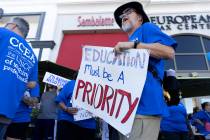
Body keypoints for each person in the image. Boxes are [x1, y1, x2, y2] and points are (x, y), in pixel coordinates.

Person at [113, 1, 177, 140]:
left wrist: (133, 44)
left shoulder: (146, 28)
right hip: (125, 112)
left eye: (128, 12)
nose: (123, 16)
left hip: (145, 108)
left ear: (140, 18)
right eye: (121, 16)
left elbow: (169, 52)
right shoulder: (126, 43)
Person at [0, 17, 38, 138]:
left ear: (12, 26)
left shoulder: (4, 33)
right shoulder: (32, 56)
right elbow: (32, 83)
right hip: (7, 111)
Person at [55, 73, 96, 140]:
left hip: (88, 126)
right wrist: (66, 109)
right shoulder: (72, 83)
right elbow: (60, 100)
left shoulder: (97, 88)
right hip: (68, 122)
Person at [159, 69, 189, 140]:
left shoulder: (180, 104)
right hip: (169, 130)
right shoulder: (163, 101)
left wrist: (189, 129)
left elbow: (185, 118)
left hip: (183, 130)